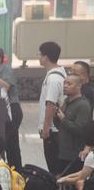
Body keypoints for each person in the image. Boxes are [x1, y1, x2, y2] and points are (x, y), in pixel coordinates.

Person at [0, 47, 23, 168]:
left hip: (12, 108)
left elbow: (6, 87)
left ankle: (16, 172)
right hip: (1, 108)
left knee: (11, 143)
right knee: (6, 141)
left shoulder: (6, 70)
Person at [38, 41, 68, 174]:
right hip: (56, 130)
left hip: (53, 132)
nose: (38, 57)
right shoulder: (59, 74)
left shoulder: (53, 79)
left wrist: (46, 129)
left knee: (54, 167)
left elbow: (50, 105)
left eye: (39, 54)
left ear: (45, 57)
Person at [54, 72, 92, 172]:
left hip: (74, 154)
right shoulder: (66, 101)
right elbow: (59, 126)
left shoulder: (83, 105)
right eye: (64, 83)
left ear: (79, 86)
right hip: (62, 151)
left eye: (69, 84)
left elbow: (80, 130)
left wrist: (63, 118)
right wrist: (56, 115)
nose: (65, 86)